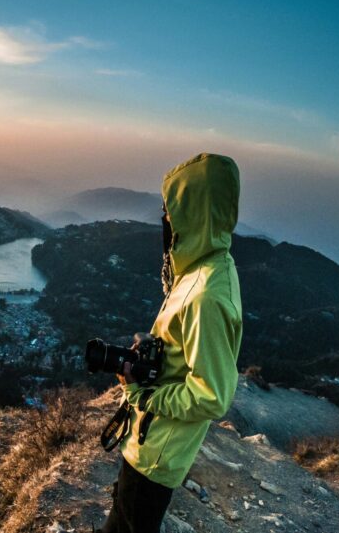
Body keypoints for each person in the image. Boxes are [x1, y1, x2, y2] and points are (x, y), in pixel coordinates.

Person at [99, 153, 244, 533]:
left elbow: (211, 395)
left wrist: (144, 397)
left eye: (171, 211)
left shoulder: (206, 295)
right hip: (150, 439)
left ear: (193, 214)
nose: (165, 220)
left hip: (156, 452)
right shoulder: (208, 265)